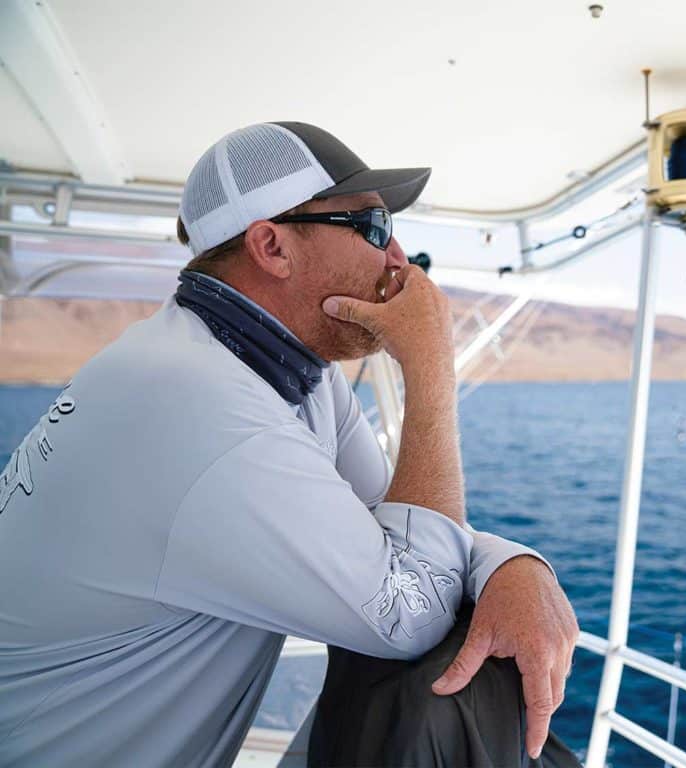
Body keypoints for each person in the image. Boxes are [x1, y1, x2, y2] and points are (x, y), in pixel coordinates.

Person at [0, 122, 579, 767]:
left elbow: (395, 523)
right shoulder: (205, 410)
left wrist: (514, 564)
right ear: (273, 247)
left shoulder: (273, 371)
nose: (400, 262)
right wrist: (430, 366)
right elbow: (410, 615)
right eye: (375, 229)